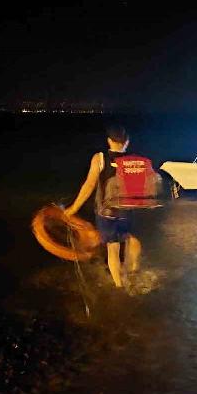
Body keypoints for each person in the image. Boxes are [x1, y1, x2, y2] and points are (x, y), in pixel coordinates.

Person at [64, 123, 143, 288]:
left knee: (112, 248)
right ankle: (134, 271)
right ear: (126, 141)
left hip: (106, 213)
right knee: (131, 238)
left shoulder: (99, 158)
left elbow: (89, 185)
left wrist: (73, 209)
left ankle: (119, 286)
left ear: (109, 141)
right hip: (127, 212)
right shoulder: (134, 160)